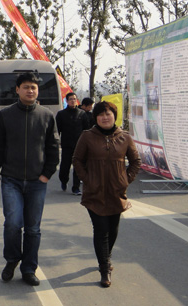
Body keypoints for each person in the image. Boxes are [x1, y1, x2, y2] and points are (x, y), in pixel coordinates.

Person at [0, 72, 60, 286]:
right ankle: (12, 260)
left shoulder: (46, 116)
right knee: (12, 223)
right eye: (26, 87)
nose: (30, 90)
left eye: (33, 87)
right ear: (17, 89)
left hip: (38, 181)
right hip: (11, 179)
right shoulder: (6, 114)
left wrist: (47, 174)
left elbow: (53, 147)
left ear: (38, 91)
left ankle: (29, 269)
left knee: (33, 228)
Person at [72, 101, 141, 288]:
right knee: (101, 229)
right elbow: (77, 160)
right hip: (94, 193)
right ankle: (104, 268)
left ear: (114, 116)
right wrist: (88, 180)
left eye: (108, 114)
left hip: (116, 192)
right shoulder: (87, 136)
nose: (104, 117)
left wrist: (125, 180)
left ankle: (106, 256)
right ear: (95, 117)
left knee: (113, 229)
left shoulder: (124, 137)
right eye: (101, 114)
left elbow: (136, 161)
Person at [56, 92, 91, 195]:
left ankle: (76, 187)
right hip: (66, 145)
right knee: (65, 166)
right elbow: (57, 130)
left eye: (74, 99)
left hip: (79, 145)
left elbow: (86, 130)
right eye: (70, 99)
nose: (73, 101)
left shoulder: (82, 114)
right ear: (67, 101)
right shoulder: (61, 114)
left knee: (78, 166)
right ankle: (64, 180)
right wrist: (55, 142)